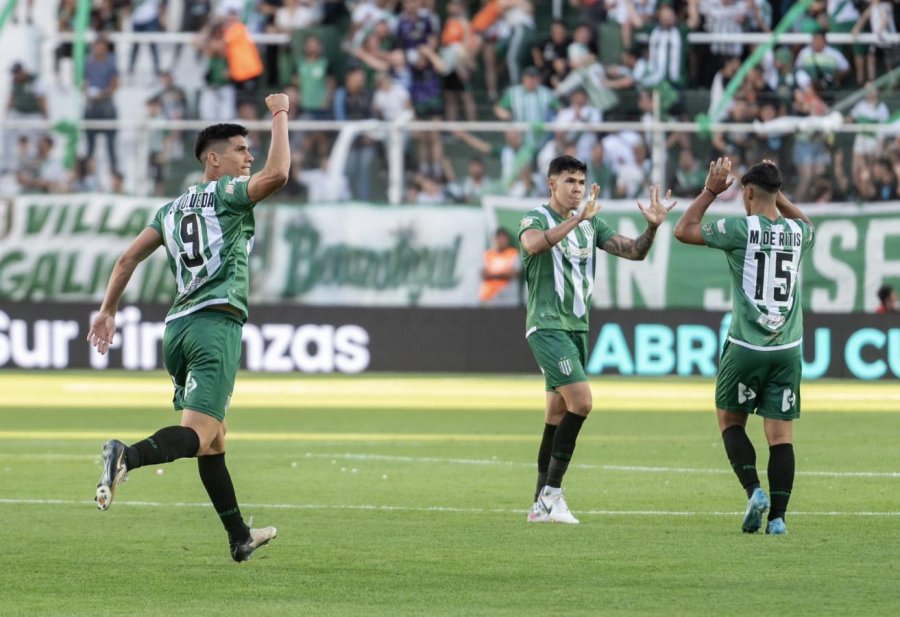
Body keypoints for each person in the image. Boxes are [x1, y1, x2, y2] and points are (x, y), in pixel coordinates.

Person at [86, 92, 292, 562]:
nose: (249, 157)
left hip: (177, 330)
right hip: (214, 325)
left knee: (214, 439)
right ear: (213, 160)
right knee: (198, 433)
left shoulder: (170, 210)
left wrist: (107, 310)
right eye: (241, 150)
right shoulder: (226, 194)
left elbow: (127, 259)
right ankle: (127, 455)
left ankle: (240, 536)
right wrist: (280, 112)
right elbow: (279, 174)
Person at [519, 155, 676, 524]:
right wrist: (577, 219)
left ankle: (539, 505)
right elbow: (533, 245)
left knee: (556, 413)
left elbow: (634, 251)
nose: (577, 188)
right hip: (547, 325)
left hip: (577, 328)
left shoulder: (592, 224)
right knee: (583, 402)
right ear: (551, 184)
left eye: (581, 182)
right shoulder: (536, 218)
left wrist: (652, 228)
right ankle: (552, 495)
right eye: (569, 181)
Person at [673, 158, 816, 536]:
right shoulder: (799, 233)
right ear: (777, 193)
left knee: (730, 421)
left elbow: (683, 230)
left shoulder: (741, 229)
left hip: (746, 346)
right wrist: (777, 192)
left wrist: (710, 191)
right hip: (787, 348)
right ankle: (778, 520)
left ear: (748, 193)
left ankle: (754, 492)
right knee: (781, 436)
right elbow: (807, 223)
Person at [479, 228, 521, 305]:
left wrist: (492, 274)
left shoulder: (513, 253)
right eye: (499, 238)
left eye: (503, 239)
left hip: (509, 298)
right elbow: (484, 274)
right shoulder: (488, 254)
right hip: (490, 298)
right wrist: (504, 273)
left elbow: (513, 274)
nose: (501, 241)